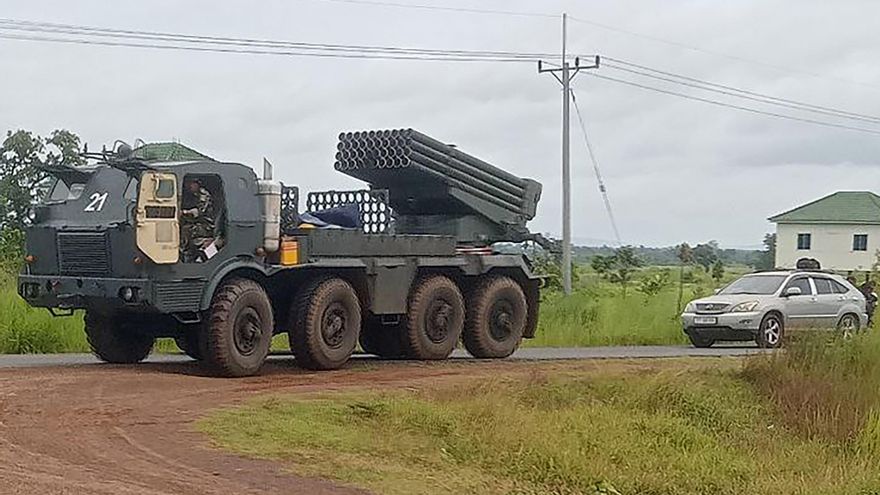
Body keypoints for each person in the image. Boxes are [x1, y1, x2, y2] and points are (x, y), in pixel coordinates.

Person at [180, 178, 215, 262]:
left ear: (197, 184)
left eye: (191, 184)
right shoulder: (193, 195)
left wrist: (184, 212)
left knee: (187, 230)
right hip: (198, 222)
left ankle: (189, 254)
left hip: (206, 225)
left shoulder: (204, 195)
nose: (189, 186)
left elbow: (199, 212)